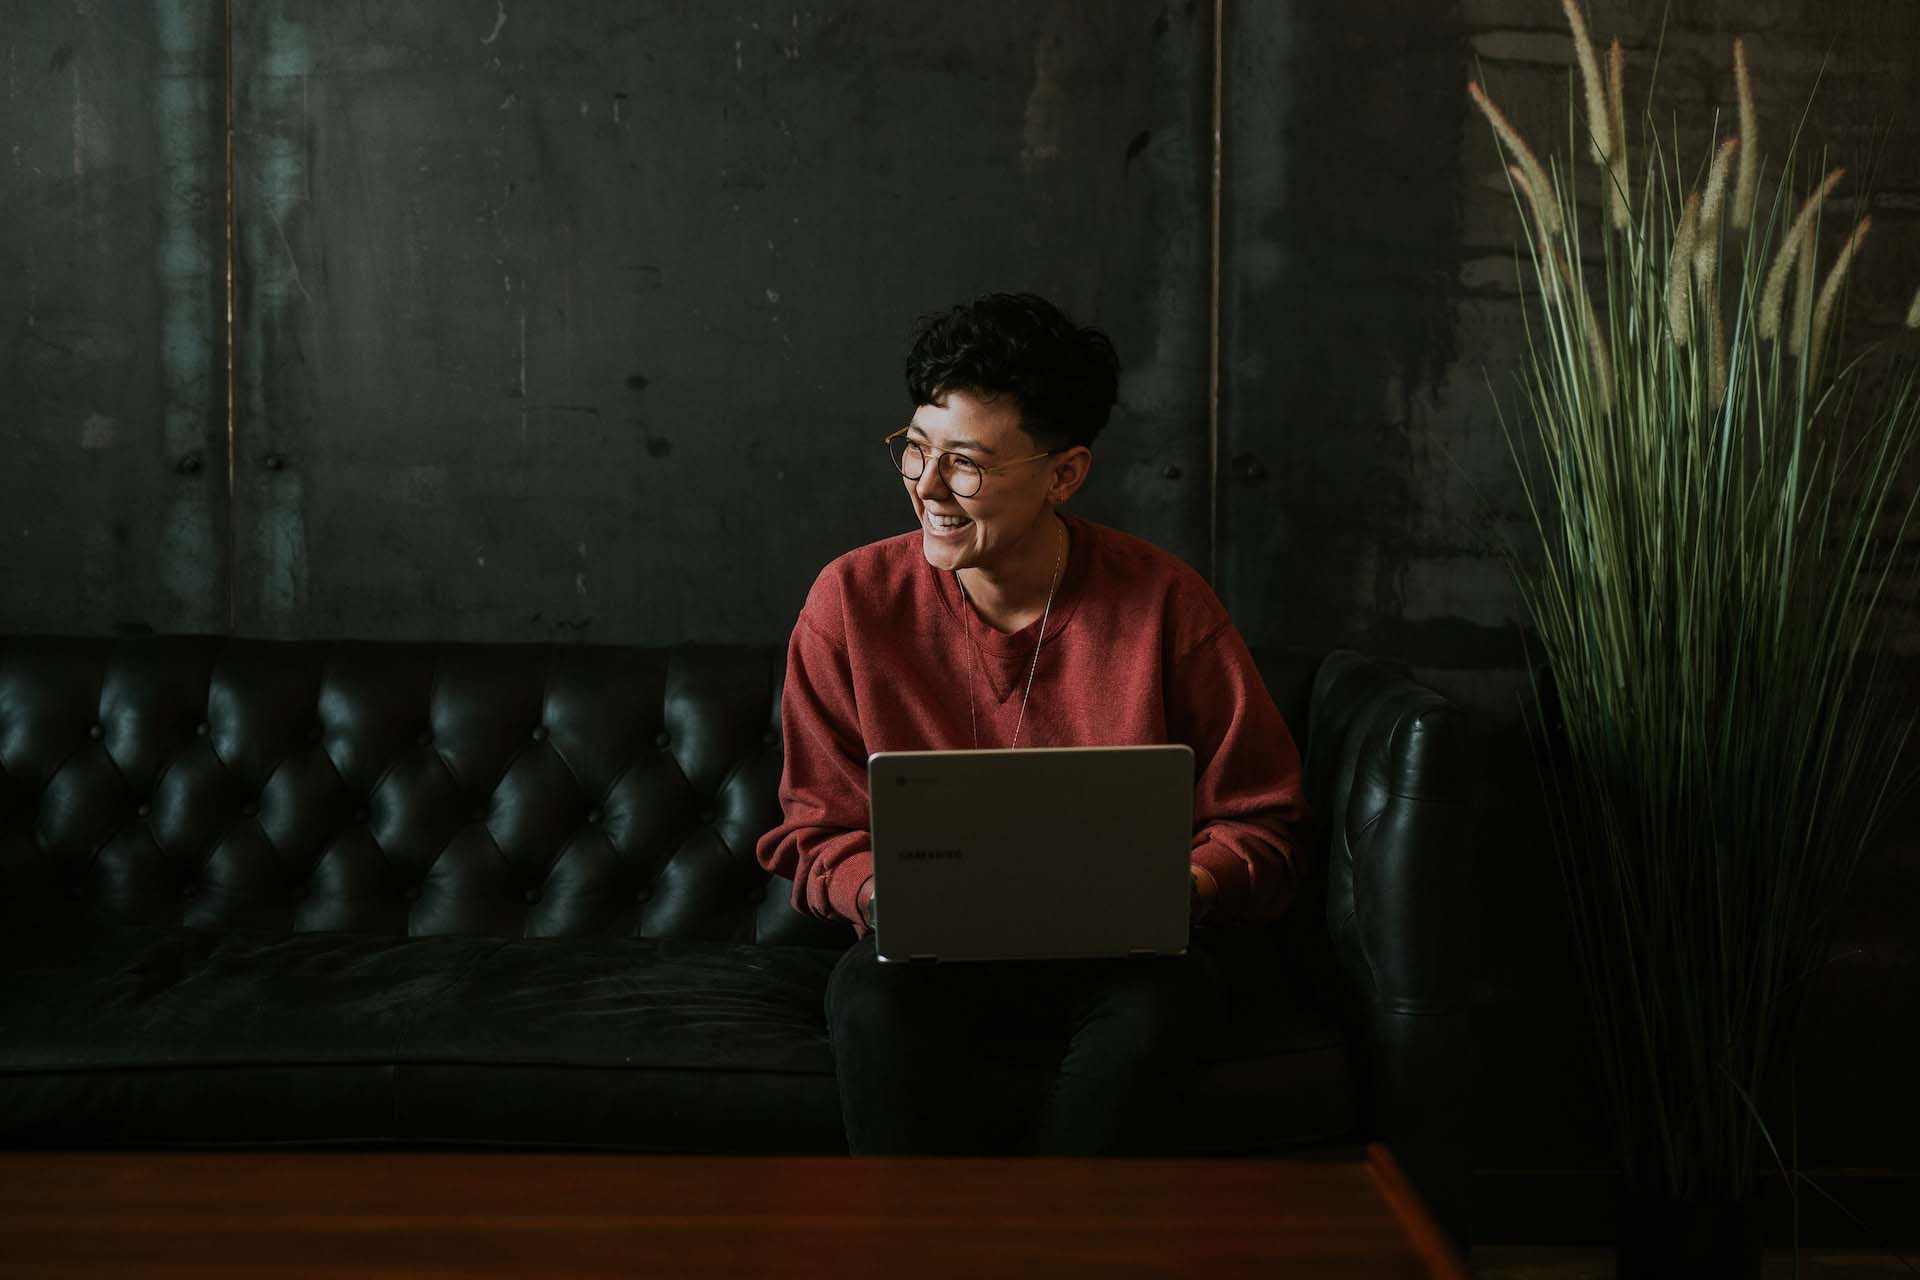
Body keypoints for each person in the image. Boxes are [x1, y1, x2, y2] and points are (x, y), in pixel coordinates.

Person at [754, 291, 1310, 1156]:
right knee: (870, 1001)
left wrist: (1182, 890)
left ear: (1065, 474)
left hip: (1128, 960)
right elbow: (816, 828)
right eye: (916, 449)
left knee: (1162, 1012)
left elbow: (1261, 822)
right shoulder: (852, 603)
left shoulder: (1164, 603)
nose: (929, 487)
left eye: (966, 463)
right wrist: (878, 893)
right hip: (925, 961)